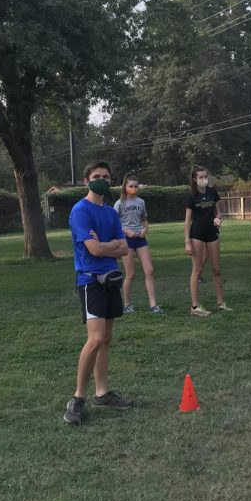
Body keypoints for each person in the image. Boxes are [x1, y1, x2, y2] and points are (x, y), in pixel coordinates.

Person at [64, 161, 134, 426]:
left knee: (106, 338)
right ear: (86, 181)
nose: (101, 180)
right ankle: (78, 397)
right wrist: (111, 246)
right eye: (96, 177)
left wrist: (110, 246)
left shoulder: (110, 213)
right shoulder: (80, 211)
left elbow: (125, 249)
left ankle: (102, 393)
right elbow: (93, 250)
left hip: (111, 279)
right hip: (90, 281)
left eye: (106, 176)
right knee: (94, 339)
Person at [114, 174, 164, 315]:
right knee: (130, 274)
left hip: (140, 239)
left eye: (136, 186)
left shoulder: (141, 202)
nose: (134, 189)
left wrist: (145, 229)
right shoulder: (119, 203)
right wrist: (125, 231)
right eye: (131, 186)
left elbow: (144, 220)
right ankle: (126, 304)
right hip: (126, 240)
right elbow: (114, 224)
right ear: (125, 187)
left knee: (149, 270)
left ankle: (153, 305)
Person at [184, 166, 231, 316]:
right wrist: (187, 241)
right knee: (197, 270)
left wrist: (218, 218)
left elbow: (219, 211)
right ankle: (195, 306)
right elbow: (187, 221)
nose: (204, 179)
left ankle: (220, 303)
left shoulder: (212, 192)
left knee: (217, 269)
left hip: (212, 232)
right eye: (201, 177)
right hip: (197, 233)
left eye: (205, 176)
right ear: (194, 179)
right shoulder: (191, 196)